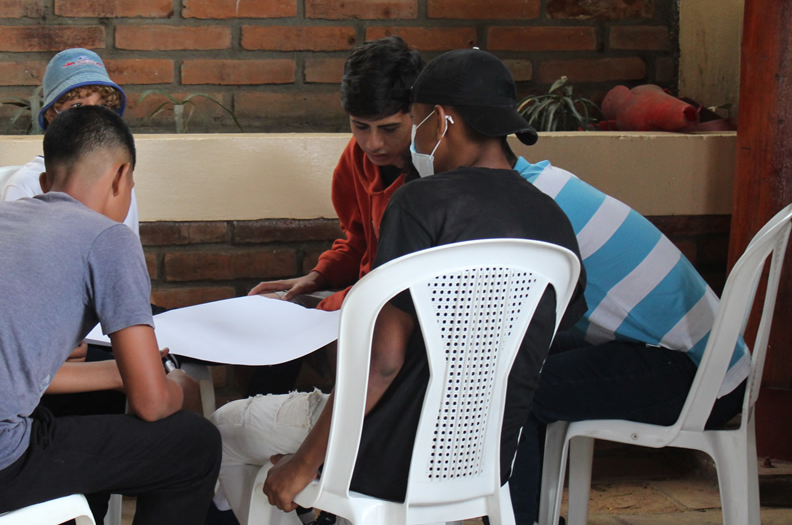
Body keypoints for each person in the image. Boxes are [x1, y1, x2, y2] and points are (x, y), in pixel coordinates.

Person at [212, 49, 587, 525]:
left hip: (387, 452)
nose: (411, 136)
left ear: (442, 121)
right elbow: (548, 336)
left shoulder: (420, 203)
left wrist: (305, 463)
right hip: (485, 458)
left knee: (222, 429)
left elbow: (384, 362)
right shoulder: (551, 219)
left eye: (414, 120)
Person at [0, 106, 220, 525]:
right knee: (195, 445)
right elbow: (150, 404)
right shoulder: (109, 239)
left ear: (44, 183)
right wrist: (177, 388)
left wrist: (117, 375)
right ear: (120, 176)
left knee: (96, 406)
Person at [506, 124, 750, 522]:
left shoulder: (526, 208)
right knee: (517, 368)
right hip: (700, 359)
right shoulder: (544, 181)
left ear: (449, 127)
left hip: (698, 375)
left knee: (514, 390)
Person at [249, 36, 424, 311]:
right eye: (360, 126)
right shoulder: (356, 156)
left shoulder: (439, 169)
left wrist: (321, 311)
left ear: (418, 114)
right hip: (358, 300)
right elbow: (359, 244)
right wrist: (318, 276)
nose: (373, 143)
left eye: (389, 129)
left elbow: (406, 282)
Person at [1, 48, 139, 236]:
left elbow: (125, 249)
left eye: (103, 105)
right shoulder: (25, 185)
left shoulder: (120, 178)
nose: (92, 115)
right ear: (51, 115)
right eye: (77, 105)